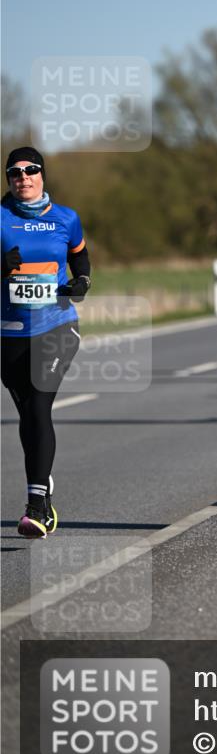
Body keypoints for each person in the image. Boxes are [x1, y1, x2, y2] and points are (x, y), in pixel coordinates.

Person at [1, 148, 91, 537]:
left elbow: (80, 258)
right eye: (15, 173)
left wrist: (82, 281)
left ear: (43, 174)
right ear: (8, 179)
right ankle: (43, 483)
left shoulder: (66, 218)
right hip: (9, 334)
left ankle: (37, 506)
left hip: (56, 326)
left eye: (31, 170)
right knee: (29, 416)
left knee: (39, 402)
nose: (24, 177)